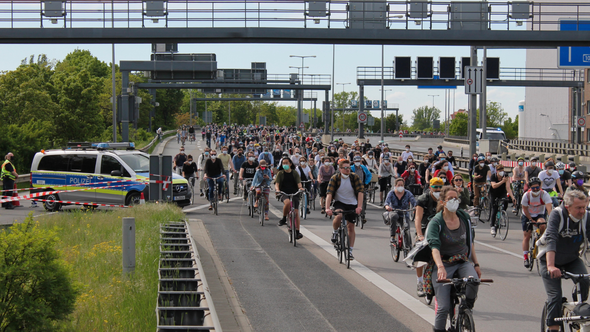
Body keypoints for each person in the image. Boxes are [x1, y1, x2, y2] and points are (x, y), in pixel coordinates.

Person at [426, 186, 481, 332]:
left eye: (456, 198)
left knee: (473, 282)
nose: (454, 201)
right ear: (443, 202)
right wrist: (440, 267)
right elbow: (435, 248)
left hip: (462, 261)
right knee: (443, 308)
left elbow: (470, 243)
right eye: (450, 199)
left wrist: (476, 264)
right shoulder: (436, 222)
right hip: (443, 263)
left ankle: (465, 310)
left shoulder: (464, 218)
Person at [540, 189, 590, 331]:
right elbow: (551, 239)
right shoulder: (557, 215)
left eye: (584, 207)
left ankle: (577, 307)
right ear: (568, 207)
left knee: (585, 280)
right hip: (549, 260)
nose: (582, 211)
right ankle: (553, 328)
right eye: (578, 208)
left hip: (571, 259)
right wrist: (550, 266)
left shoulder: (587, 218)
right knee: (555, 296)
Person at [326, 159, 364, 260]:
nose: (347, 170)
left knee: (351, 227)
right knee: (338, 216)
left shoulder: (354, 177)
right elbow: (329, 193)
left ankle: (350, 251)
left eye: (349, 168)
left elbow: (360, 192)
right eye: (345, 168)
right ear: (340, 169)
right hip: (340, 203)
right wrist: (327, 208)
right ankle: (335, 232)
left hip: (352, 203)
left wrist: (359, 207)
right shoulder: (335, 178)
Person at [414, 177, 444, 297]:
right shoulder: (423, 199)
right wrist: (419, 234)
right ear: (430, 187)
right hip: (424, 228)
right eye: (435, 187)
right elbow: (418, 218)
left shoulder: (443, 199)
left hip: (439, 229)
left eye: (440, 187)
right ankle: (419, 282)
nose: (437, 189)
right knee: (420, 255)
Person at [521, 177, 552, 268]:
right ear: (530, 188)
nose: (535, 190)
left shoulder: (544, 194)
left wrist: (551, 220)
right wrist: (531, 219)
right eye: (533, 188)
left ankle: (542, 242)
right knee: (527, 235)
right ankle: (526, 257)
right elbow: (525, 209)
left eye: (537, 187)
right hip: (527, 215)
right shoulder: (526, 195)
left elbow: (549, 208)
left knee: (542, 224)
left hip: (539, 214)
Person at [275, 157, 304, 239]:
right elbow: (277, 183)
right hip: (284, 192)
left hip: (294, 193)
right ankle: (284, 218)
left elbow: (299, 183)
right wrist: (277, 190)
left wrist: (300, 188)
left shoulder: (295, 173)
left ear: (290, 164)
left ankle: (297, 231)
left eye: (286, 163)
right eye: (283, 163)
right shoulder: (280, 173)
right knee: (287, 203)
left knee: (296, 212)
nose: (285, 165)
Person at [384, 178, 417, 244]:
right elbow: (386, 203)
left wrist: (415, 208)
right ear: (395, 186)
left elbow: (414, 202)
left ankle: (408, 247)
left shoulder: (408, 193)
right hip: (394, 211)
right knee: (393, 216)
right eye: (398, 185)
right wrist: (388, 207)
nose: (400, 187)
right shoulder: (391, 193)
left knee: (406, 229)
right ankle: (393, 236)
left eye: (402, 185)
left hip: (404, 213)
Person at [489, 164, 516, 236]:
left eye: (502, 170)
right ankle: (492, 227)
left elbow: (508, 188)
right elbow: (494, 186)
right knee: (494, 209)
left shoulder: (505, 176)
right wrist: (502, 182)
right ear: (497, 171)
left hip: (502, 192)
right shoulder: (493, 176)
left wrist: (513, 197)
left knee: (506, 200)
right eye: (500, 170)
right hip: (494, 193)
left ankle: (503, 214)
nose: (501, 172)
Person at [351, 155, 372, 224]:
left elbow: (369, 175)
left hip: (362, 185)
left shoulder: (363, 168)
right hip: (353, 186)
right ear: (354, 162)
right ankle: (353, 213)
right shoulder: (351, 168)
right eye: (356, 161)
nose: (357, 162)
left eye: (358, 161)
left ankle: (363, 215)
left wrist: (366, 182)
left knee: (363, 200)